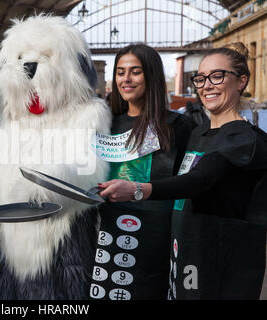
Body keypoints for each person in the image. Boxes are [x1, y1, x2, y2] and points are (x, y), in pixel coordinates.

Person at [98, 43, 267, 300]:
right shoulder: (200, 133)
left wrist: (136, 189)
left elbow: (197, 180)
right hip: (185, 257)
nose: (207, 85)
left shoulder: (245, 140)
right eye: (200, 78)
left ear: (241, 81)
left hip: (220, 265)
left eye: (217, 76)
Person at [89, 44, 195, 300]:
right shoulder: (105, 123)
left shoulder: (178, 126)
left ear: (151, 75)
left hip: (156, 241)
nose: (126, 79)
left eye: (135, 72)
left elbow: (187, 185)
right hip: (108, 235)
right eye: (120, 72)